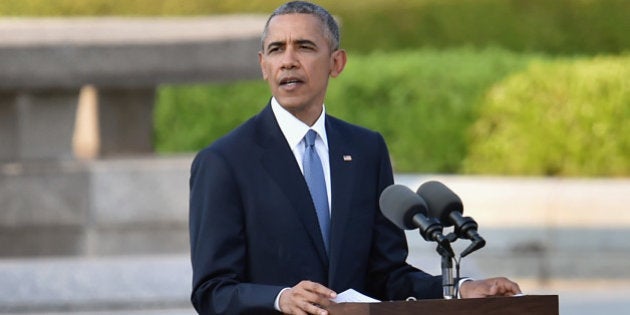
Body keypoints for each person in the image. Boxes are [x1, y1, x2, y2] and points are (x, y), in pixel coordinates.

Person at [189, 1, 521, 314]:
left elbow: (387, 274)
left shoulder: (365, 150)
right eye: (277, 49)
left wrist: (457, 289)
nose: (288, 60)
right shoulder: (224, 162)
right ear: (264, 65)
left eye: (304, 46)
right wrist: (281, 299)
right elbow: (212, 290)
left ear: (337, 63)